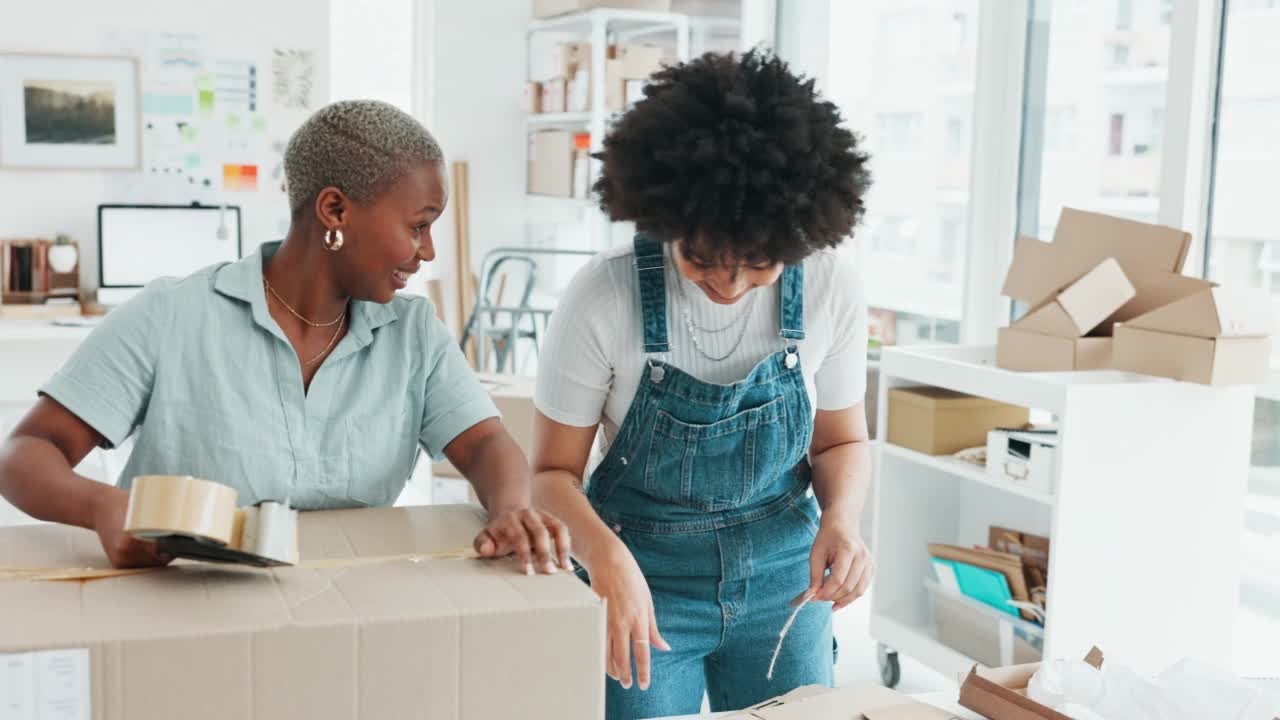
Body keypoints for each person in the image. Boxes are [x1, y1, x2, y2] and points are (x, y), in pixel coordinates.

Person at [0, 100, 570, 575]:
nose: (427, 252)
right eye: (418, 226)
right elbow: (24, 455)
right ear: (334, 209)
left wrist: (511, 507)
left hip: (343, 616)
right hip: (180, 615)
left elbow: (485, 446)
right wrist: (103, 506)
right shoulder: (172, 315)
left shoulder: (413, 333)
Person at [531, 50, 877, 719]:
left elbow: (839, 443)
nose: (729, 285)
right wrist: (606, 560)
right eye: (701, 258)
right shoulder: (605, 298)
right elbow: (548, 475)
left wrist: (842, 521)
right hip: (641, 578)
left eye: (758, 264)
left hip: (786, 581)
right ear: (664, 218)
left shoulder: (832, 286)